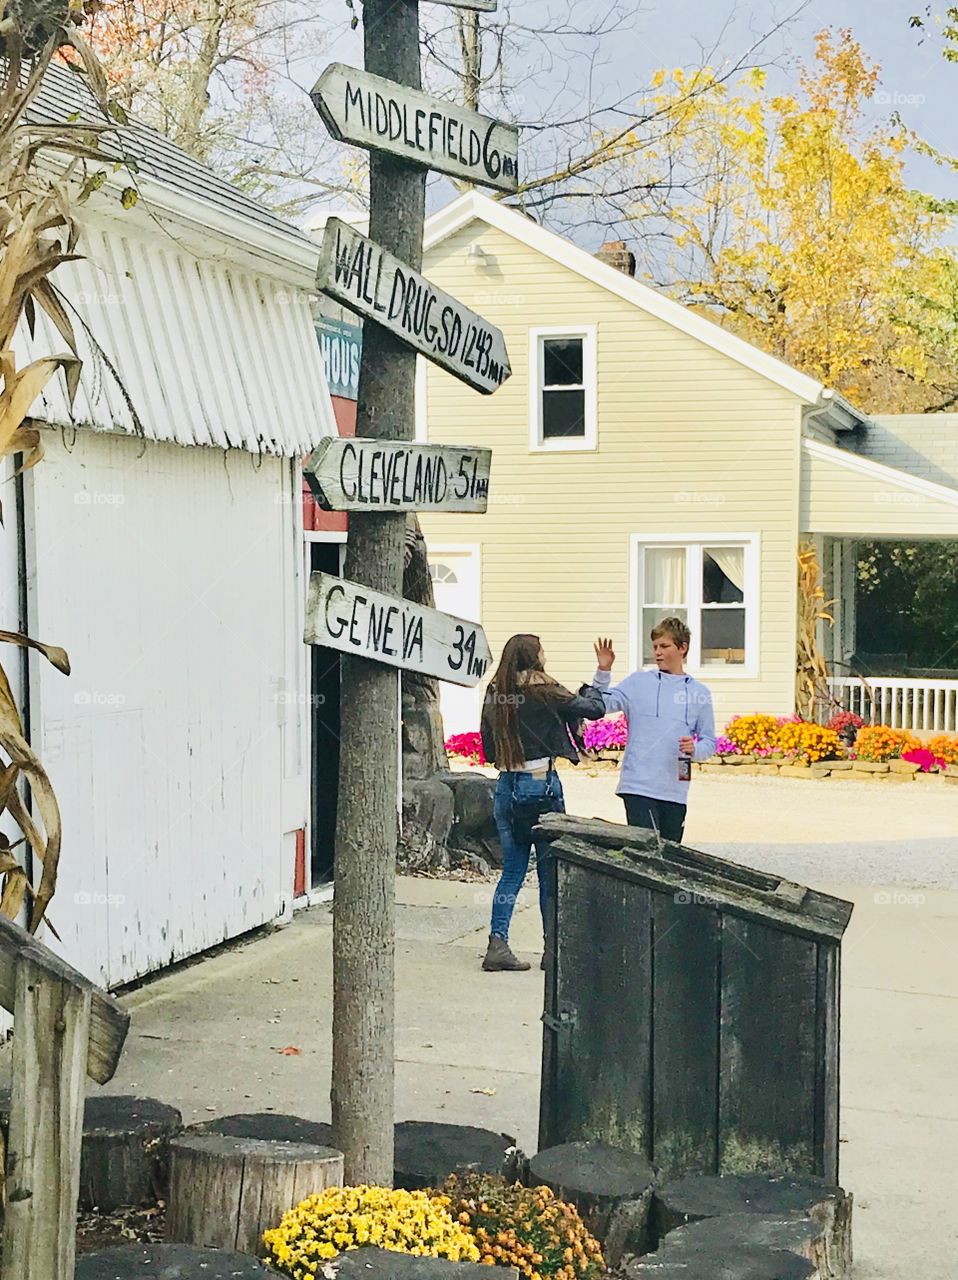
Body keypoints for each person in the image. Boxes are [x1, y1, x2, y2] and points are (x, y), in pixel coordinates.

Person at [479, 633, 606, 972]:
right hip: (539, 786)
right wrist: (596, 679)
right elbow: (595, 709)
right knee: (550, 873)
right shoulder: (543, 690)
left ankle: (498, 943)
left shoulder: (495, 693)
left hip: (506, 788)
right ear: (534, 657)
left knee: (513, 872)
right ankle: (553, 951)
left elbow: (488, 750)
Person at [591, 618, 716, 843]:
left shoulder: (700, 693)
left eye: (664, 646)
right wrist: (603, 671)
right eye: (655, 647)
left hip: (676, 789)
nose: (658, 652)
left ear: (682, 648)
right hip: (638, 785)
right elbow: (600, 706)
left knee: (669, 857)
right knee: (646, 853)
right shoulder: (637, 682)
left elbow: (709, 741)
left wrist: (694, 750)